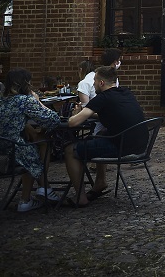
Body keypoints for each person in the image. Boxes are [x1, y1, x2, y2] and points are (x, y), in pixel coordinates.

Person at [63, 65, 146, 206]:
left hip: (122, 148)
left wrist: (75, 114)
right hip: (141, 145)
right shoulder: (125, 92)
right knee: (100, 134)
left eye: (95, 80)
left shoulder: (102, 98)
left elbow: (72, 123)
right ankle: (100, 182)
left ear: (101, 83)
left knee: (70, 150)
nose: (93, 83)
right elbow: (112, 113)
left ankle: (80, 197)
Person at [0, 68, 64, 211]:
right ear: (26, 83)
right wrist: (37, 101)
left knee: (37, 141)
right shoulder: (24, 100)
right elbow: (53, 120)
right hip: (11, 151)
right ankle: (27, 199)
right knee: (39, 145)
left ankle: (44, 188)